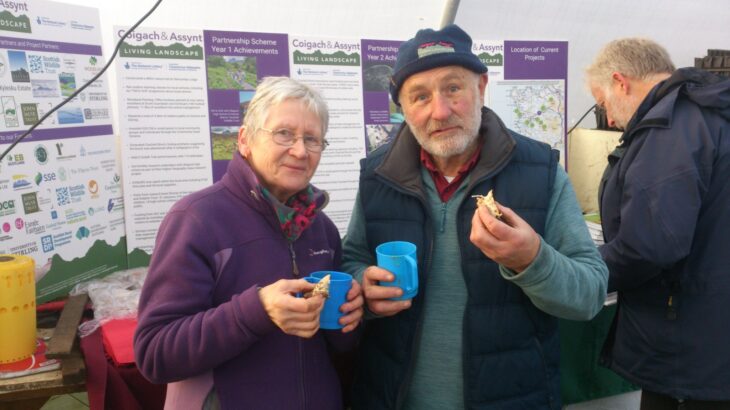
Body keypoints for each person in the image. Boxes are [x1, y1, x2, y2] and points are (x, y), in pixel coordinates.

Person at [341, 24, 608, 409]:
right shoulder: (378, 175)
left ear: (481, 87)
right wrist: (362, 285)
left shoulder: (541, 171)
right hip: (391, 397)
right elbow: (353, 258)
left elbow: (590, 296)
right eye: (419, 96)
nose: (441, 110)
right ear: (403, 108)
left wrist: (532, 260)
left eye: (453, 88)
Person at [134, 77, 364, 410]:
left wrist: (349, 318)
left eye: (312, 139)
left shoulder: (322, 229)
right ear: (245, 140)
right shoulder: (196, 219)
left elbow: (337, 347)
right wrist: (256, 311)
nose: (300, 151)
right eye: (284, 133)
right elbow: (155, 353)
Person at [585, 38, 730, 409]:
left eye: (602, 104)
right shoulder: (710, 112)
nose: (611, 119)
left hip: (689, 341)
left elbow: (650, 244)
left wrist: (583, 272)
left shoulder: (670, 129)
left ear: (621, 81)